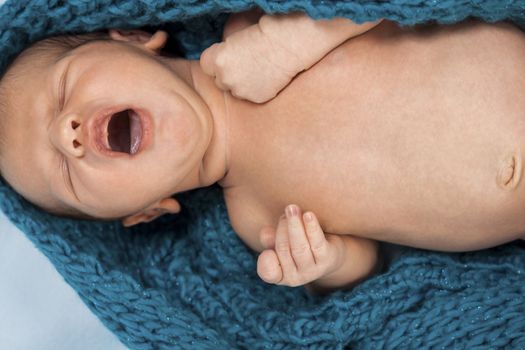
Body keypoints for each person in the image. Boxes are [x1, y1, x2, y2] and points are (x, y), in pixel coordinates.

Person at [1, 8, 524, 294]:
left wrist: (293, 41)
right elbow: (373, 258)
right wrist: (329, 261)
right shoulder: (256, 218)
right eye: (65, 175)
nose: (66, 135)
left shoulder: (249, 27)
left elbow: (379, 8)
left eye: (64, 88)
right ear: (145, 211)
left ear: (133, 37)